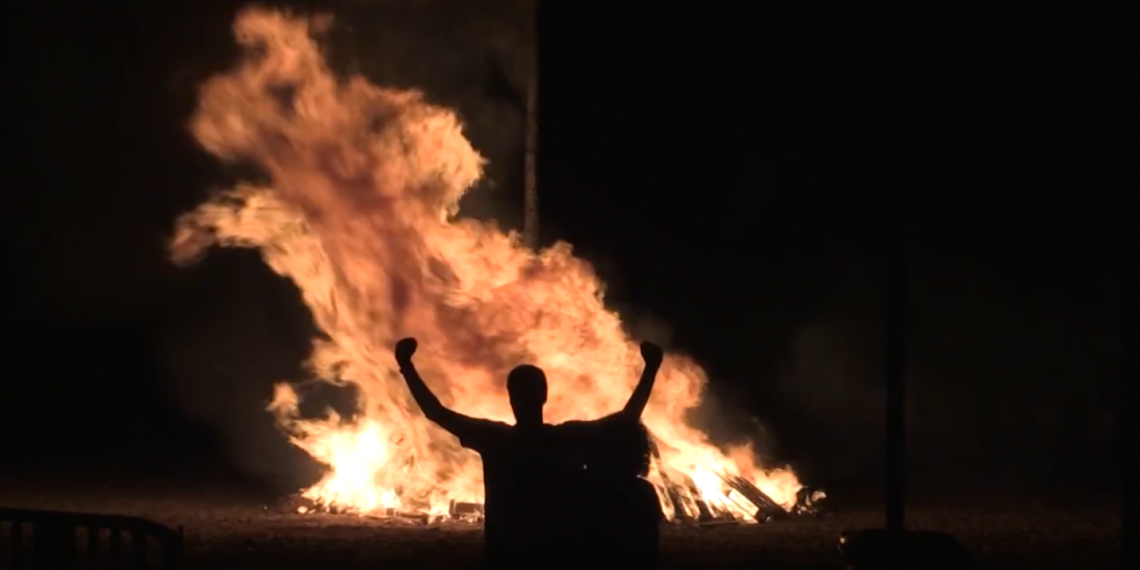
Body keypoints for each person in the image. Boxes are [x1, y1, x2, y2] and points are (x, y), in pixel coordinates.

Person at [394, 337, 663, 569]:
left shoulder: (496, 439)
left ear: (510, 397)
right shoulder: (564, 438)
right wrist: (650, 369)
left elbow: (437, 412)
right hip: (555, 557)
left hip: (505, 556)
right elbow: (625, 420)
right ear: (544, 395)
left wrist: (407, 366)